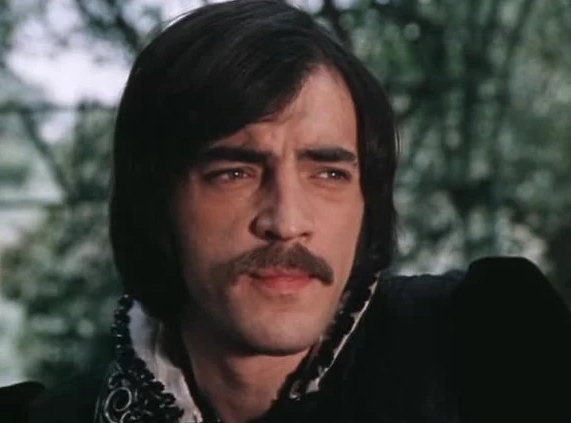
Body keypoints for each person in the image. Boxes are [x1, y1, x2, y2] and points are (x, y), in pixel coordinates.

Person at [14, 0, 571, 422]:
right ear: (155, 201)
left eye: (328, 174)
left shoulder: (492, 348)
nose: (286, 221)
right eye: (235, 173)